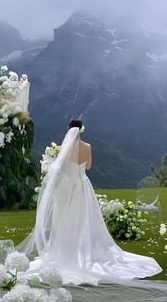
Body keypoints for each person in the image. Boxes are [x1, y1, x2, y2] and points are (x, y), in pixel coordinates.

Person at [16, 119, 162, 286]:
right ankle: (84, 248)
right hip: (83, 186)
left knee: (64, 219)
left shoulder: (62, 149)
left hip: (66, 188)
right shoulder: (88, 147)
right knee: (83, 219)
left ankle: (65, 250)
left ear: (68, 129)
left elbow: (59, 169)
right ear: (81, 130)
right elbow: (89, 166)